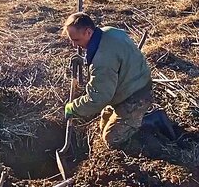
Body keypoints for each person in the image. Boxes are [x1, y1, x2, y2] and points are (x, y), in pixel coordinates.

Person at [62, 12, 153, 149]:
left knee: (111, 138)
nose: (75, 46)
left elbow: (98, 98)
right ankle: (135, 118)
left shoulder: (102, 62)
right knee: (103, 123)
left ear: (88, 32)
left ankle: (147, 122)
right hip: (131, 83)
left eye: (77, 40)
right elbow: (113, 59)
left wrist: (73, 108)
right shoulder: (109, 32)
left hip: (137, 95)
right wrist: (85, 60)